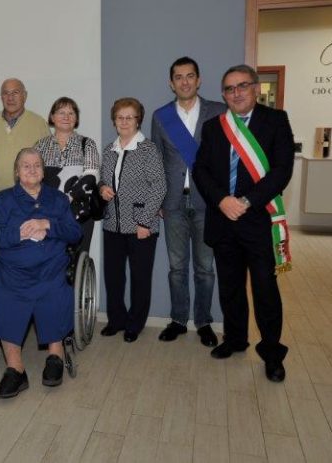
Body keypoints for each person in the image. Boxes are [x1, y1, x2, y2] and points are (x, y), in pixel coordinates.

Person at [193, 64, 294, 383]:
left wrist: (247, 201)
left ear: (255, 88)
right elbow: (201, 171)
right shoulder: (213, 127)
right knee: (230, 287)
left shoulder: (276, 121)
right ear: (223, 94)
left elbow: (282, 170)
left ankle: (272, 353)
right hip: (224, 220)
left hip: (258, 220)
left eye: (241, 86)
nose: (235, 93)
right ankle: (235, 340)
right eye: (228, 89)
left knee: (266, 289)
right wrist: (222, 200)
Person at [0, 148, 82, 398]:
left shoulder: (58, 199)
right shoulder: (3, 200)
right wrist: (20, 232)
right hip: (14, 273)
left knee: (55, 292)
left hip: (50, 269)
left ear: (43, 171)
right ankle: (15, 369)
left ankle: (55, 355)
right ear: (16, 172)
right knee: (7, 295)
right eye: (25, 165)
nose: (32, 169)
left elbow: (75, 233)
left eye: (37, 165)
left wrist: (47, 224)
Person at [151, 57, 226, 347]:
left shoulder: (218, 112)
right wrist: (158, 198)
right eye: (178, 77)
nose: (184, 81)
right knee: (176, 267)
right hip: (172, 204)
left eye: (190, 76)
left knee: (205, 268)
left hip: (208, 202)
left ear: (199, 80)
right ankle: (178, 320)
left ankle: (204, 322)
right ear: (171, 83)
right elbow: (157, 160)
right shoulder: (160, 116)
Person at [99, 98, 167, 343]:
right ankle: (116, 320)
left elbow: (159, 186)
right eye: (120, 117)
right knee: (114, 277)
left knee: (140, 278)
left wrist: (145, 222)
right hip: (112, 224)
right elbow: (102, 181)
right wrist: (102, 189)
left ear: (138, 120)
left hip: (141, 226)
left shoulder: (148, 149)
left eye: (130, 117)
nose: (124, 121)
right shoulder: (108, 150)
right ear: (114, 121)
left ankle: (134, 324)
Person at [35, 96, 100, 252]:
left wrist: (67, 198)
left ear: (76, 118)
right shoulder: (40, 145)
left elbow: (92, 175)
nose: (66, 117)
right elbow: (33, 177)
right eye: (61, 112)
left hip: (79, 213)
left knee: (77, 259)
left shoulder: (87, 143)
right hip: (48, 214)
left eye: (71, 113)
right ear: (52, 117)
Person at [0, 78, 50, 203]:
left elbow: (48, 163)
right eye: (6, 93)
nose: (10, 98)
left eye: (15, 93)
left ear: (25, 95)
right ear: (1, 97)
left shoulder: (39, 123)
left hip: (31, 196)